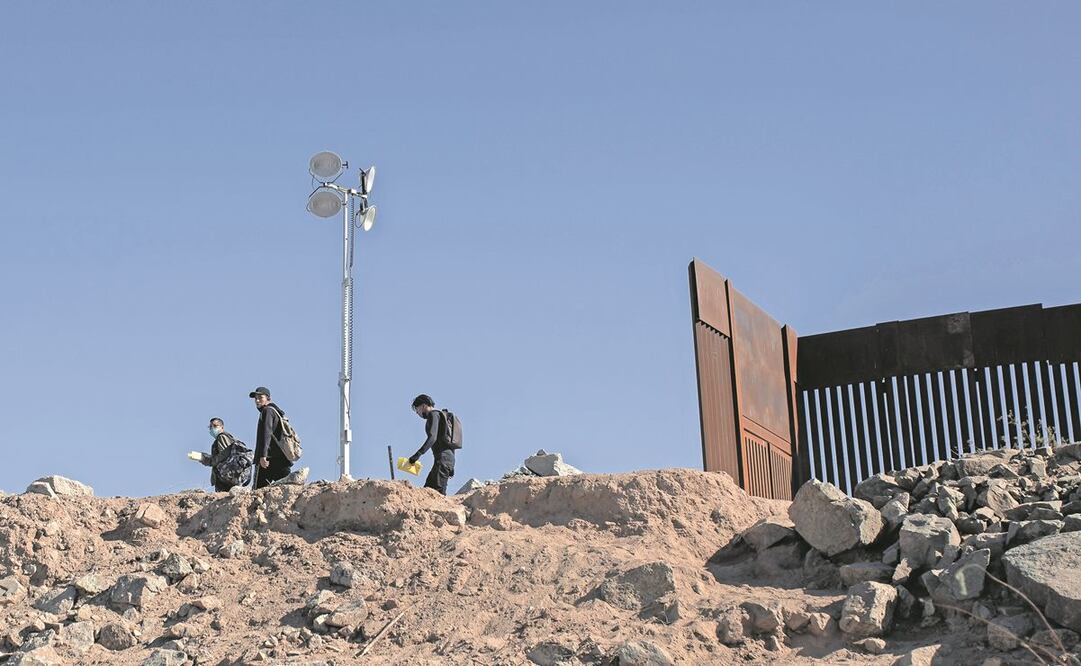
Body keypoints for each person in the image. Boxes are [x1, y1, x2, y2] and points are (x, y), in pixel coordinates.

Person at [408, 394, 456, 495]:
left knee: (436, 494)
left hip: (443, 460)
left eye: (417, 411)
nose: (418, 414)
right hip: (445, 460)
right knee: (428, 490)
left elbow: (432, 437)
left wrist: (417, 455)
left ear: (423, 406)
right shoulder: (441, 416)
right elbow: (450, 442)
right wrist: (451, 466)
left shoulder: (433, 415)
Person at [249, 386, 293, 489]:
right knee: (287, 487)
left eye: (260, 397)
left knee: (257, 491)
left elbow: (267, 433)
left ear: (268, 398)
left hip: (268, 459)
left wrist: (263, 455)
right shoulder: (275, 411)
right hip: (281, 457)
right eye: (255, 398)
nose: (257, 400)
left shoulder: (267, 411)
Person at [198, 417, 253, 491]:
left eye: (215, 426)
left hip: (228, 477)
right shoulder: (227, 438)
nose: (212, 428)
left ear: (222, 427)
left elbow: (224, 457)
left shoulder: (222, 437)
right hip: (234, 476)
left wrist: (207, 459)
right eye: (210, 427)